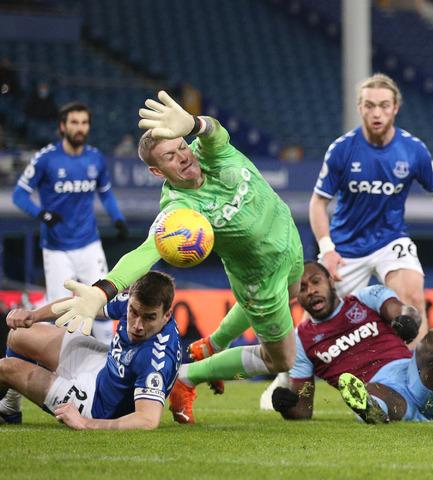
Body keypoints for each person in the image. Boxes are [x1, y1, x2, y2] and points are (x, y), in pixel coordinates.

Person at [48, 91, 305, 425]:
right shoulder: (179, 210)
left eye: (181, 145)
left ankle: (214, 342)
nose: (183, 156)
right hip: (259, 277)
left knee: (295, 293)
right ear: (157, 172)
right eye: (171, 156)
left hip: (291, 242)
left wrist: (194, 124)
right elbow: (146, 251)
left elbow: (216, 132)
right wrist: (103, 289)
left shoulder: (211, 153)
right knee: (281, 360)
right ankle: (189, 375)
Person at [255, 73, 433, 408]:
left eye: (384, 105)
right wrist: (327, 250)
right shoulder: (343, 150)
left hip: (390, 241)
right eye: (370, 105)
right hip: (345, 248)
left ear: (395, 108)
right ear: (360, 107)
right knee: (313, 318)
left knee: (412, 296)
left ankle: (418, 385)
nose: (377, 112)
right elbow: (318, 203)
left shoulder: (412, 150)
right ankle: (285, 377)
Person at [270, 262, 433, 423]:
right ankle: (371, 410)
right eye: (302, 288)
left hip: (418, 380)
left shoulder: (366, 297)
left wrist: (407, 319)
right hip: (382, 394)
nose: (310, 291)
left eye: (315, 281)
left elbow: (401, 309)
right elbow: (303, 408)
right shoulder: (300, 340)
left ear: (331, 280)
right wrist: (286, 405)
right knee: (369, 391)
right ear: (295, 296)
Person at [0, 271, 180, 430]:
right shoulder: (131, 302)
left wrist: (85, 423)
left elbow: (147, 420)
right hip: (102, 365)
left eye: (149, 318)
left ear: (166, 316)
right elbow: (82, 303)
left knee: (5, 368)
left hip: (97, 405)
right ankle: (10, 409)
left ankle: (9, 409)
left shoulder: (157, 358)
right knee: (20, 333)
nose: (138, 325)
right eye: (133, 313)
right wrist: (34, 315)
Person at [12, 102, 128, 344]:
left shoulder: (96, 159)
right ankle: (63, 371)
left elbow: (105, 192)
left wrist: (117, 218)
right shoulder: (46, 159)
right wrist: (41, 214)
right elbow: (19, 194)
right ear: (62, 126)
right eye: (74, 122)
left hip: (89, 244)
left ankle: (111, 367)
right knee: (61, 314)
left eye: (84, 123)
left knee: (103, 304)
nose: (80, 128)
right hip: (56, 249)